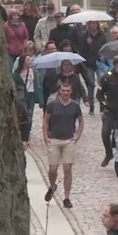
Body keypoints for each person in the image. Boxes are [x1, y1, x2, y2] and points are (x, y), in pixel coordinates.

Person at [42, 81, 85, 209]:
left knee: (67, 169)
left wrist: (77, 135)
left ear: (71, 92)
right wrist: (45, 135)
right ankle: (52, 185)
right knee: (53, 169)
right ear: (59, 91)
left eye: (68, 91)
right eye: (63, 90)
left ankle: (66, 197)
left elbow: (81, 121)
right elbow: (46, 120)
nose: (65, 93)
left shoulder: (75, 106)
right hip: (54, 139)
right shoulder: (52, 105)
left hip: (68, 140)